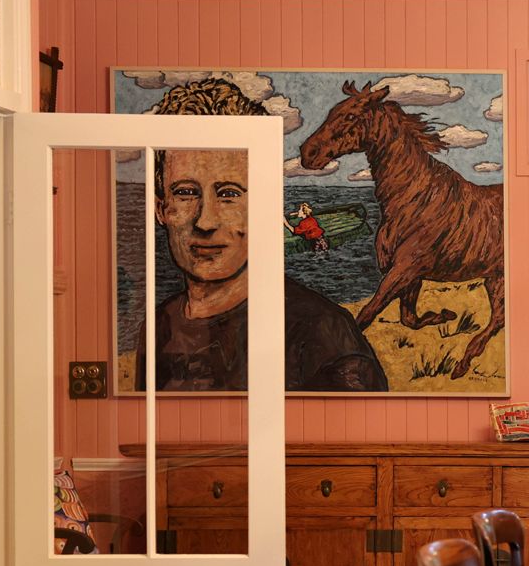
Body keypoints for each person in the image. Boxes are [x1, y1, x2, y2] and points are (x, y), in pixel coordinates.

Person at [134, 77, 387, 392]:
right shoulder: (159, 326)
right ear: (160, 208)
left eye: (229, 194)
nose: (205, 221)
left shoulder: (325, 341)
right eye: (185, 192)